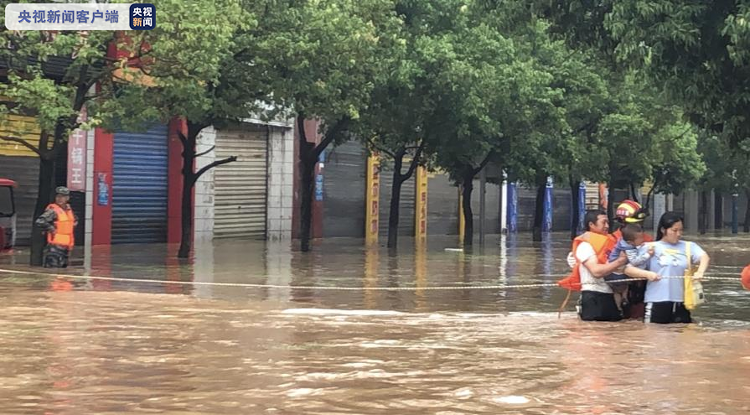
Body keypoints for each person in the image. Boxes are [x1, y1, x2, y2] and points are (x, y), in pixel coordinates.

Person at [559, 210, 635, 321]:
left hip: (610, 295)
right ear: (591, 225)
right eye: (603, 222)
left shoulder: (611, 243)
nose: (607, 226)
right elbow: (596, 272)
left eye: (608, 222)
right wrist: (620, 261)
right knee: (593, 334)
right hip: (593, 297)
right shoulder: (585, 245)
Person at [643, 212, 710, 324]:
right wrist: (647, 274)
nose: (678, 234)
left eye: (681, 230)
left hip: (682, 302)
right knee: (653, 336)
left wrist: (700, 272)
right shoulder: (649, 247)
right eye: (674, 230)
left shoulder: (689, 246)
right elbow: (629, 269)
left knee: (682, 337)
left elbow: (704, 257)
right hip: (656, 300)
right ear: (663, 230)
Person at [605, 223, 654, 314]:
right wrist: (648, 255)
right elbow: (634, 261)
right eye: (640, 239)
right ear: (630, 242)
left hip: (615, 271)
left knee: (620, 291)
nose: (643, 239)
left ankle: (621, 308)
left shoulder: (624, 242)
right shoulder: (628, 248)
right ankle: (620, 308)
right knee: (619, 291)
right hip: (616, 273)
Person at [35, 186, 77, 268]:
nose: (60, 199)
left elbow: (74, 221)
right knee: (53, 272)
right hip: (54, 247)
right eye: (58, 196)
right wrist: (52, 229)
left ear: (67, 198)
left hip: (66, 247)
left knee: (63, 273)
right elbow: (40, 221)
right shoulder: (53, 211)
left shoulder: (69, 210)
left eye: (62, 197)